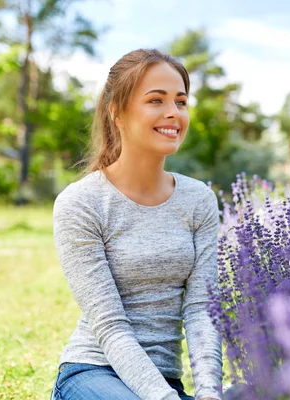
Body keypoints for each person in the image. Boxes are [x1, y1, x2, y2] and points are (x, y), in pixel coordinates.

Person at [49, 48, 223, 400]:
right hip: (92, 374)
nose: (173, 113)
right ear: (117, 113)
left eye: (181, 101)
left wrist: (209, 393)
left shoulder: (198, 199)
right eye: (156, 101)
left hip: (165, 383)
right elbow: (110, 326)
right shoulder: (81, 203)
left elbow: (201, 310)